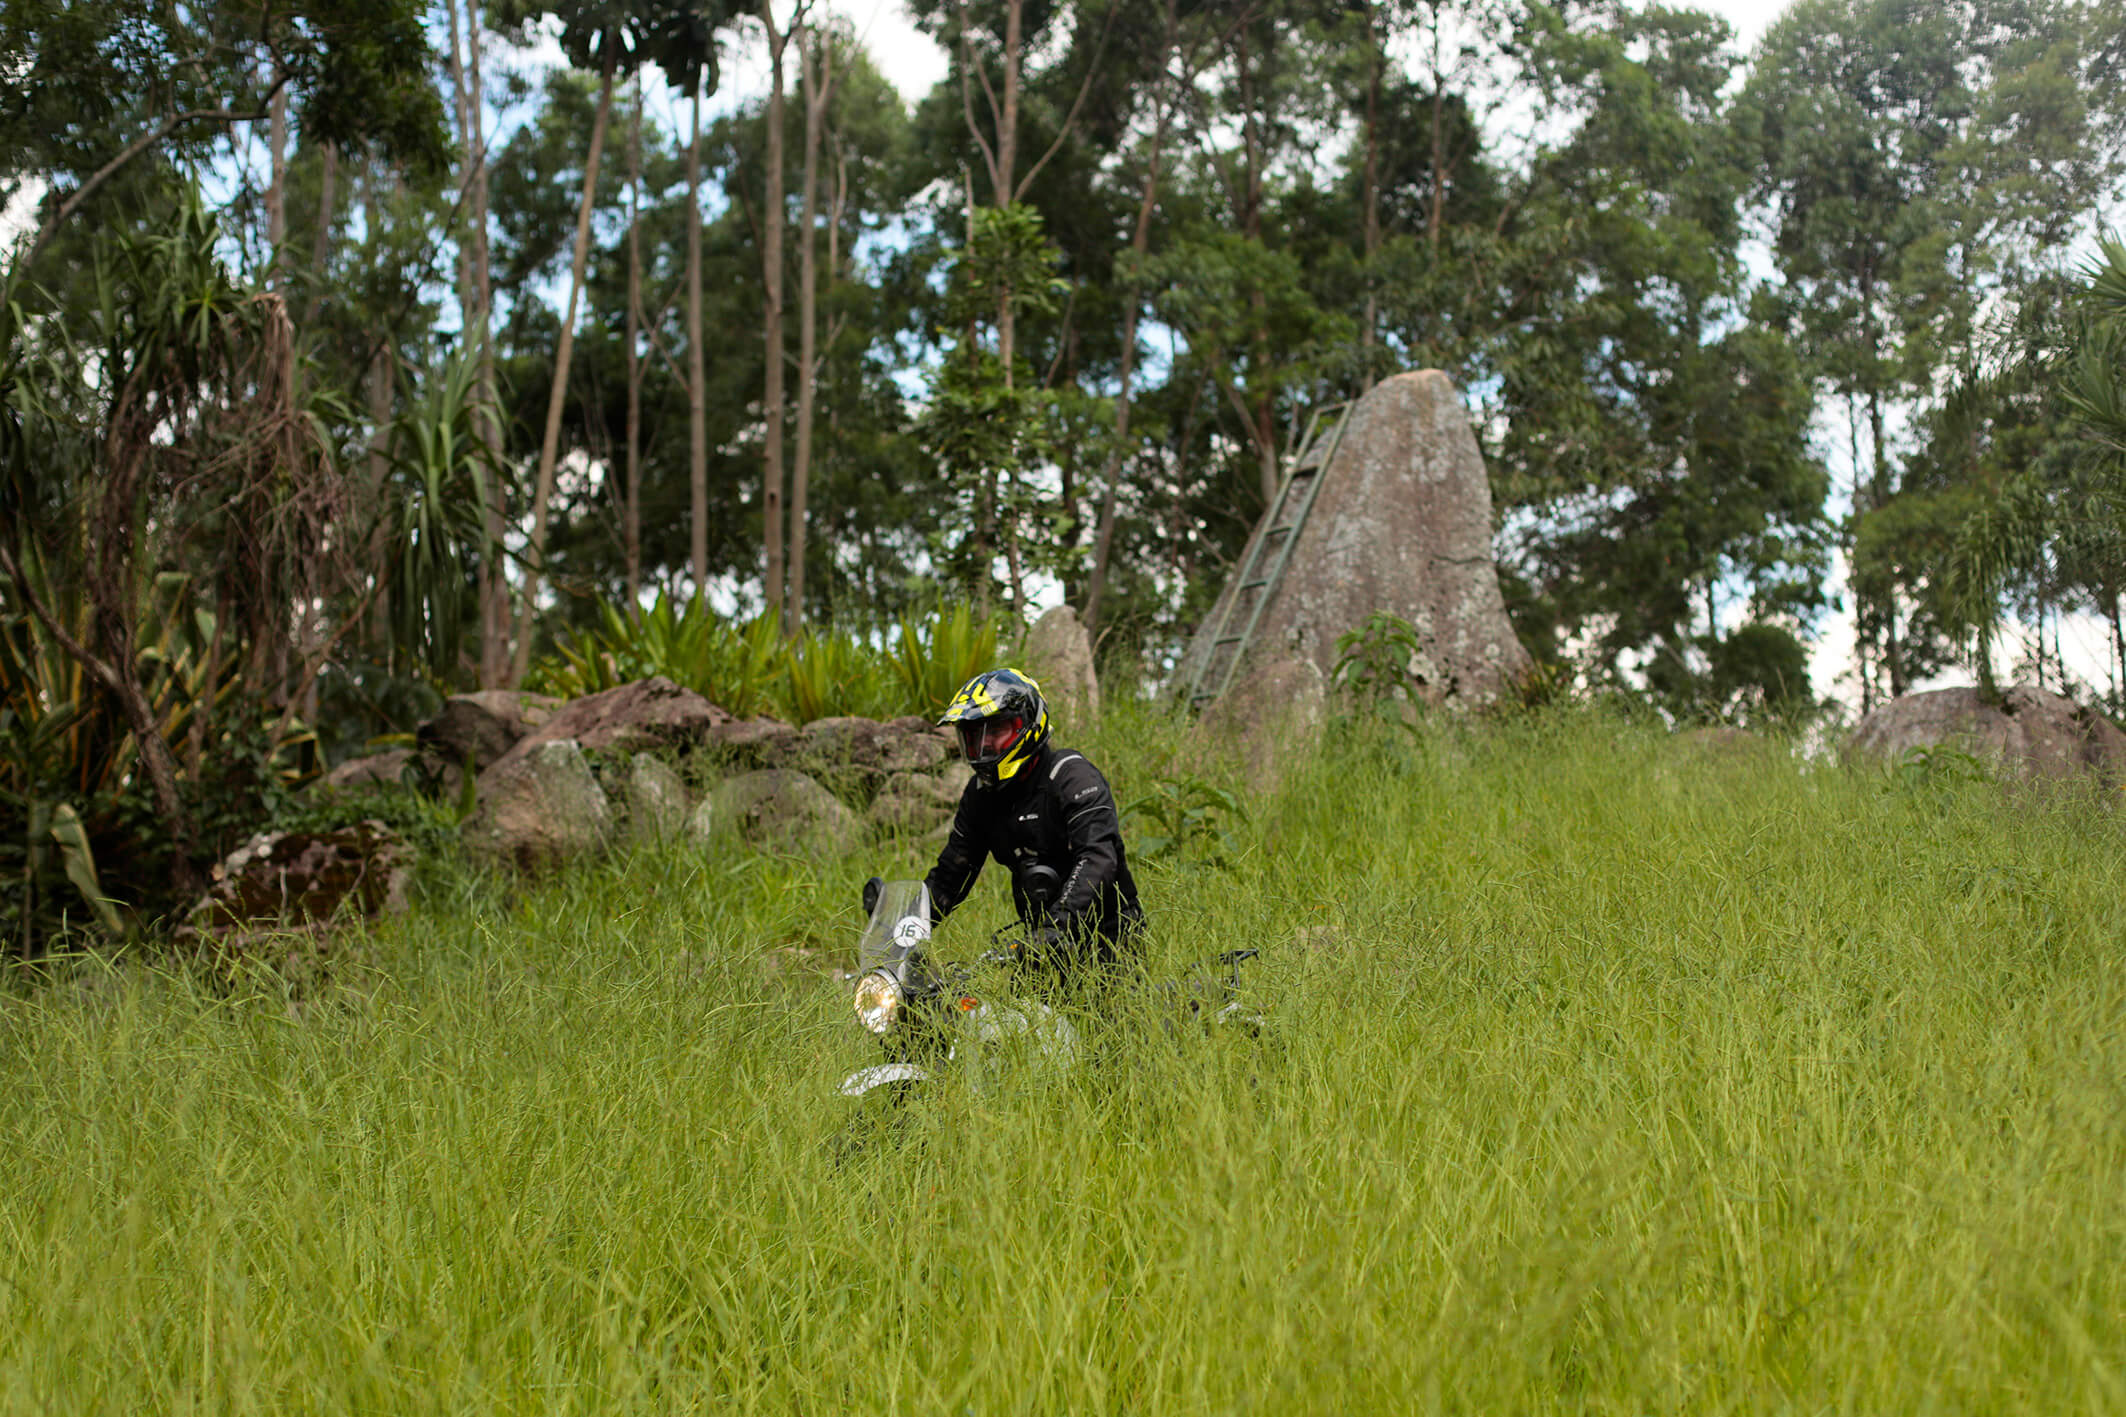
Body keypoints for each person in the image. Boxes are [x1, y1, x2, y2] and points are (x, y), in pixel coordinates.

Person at [865, 667, 1142, 975]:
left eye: (996, 731)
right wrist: (900, 926)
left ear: (1028, 724)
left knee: (1107, 1021)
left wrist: (1057, 926)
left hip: (1111, 941)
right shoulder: (981, 795)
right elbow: (949, 878)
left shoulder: (1071, 776)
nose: (984, 745)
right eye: (973, 735)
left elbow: (1098, 858)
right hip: (1038, 947)